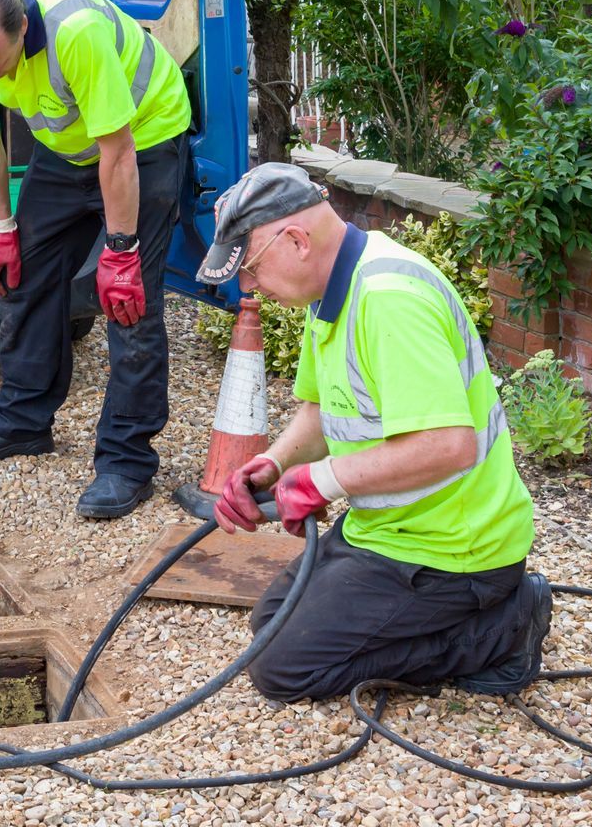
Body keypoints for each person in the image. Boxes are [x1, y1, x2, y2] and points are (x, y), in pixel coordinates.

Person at [195, 162, 551, 701]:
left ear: (296, 241)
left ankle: (504, 628)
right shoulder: (332, 289)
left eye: (251, 267)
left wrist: (321, 481)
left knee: (281, 669)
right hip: (389, 528)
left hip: (454, 549)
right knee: (270, 622)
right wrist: (275, 464)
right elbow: (323, 411)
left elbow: (449, 445)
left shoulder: (389, 299)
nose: (248, 286)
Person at [0, 0, 193, 519]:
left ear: (23, 30)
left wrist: (120, 250)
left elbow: (117, 150)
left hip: (141, 138)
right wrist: (1, 227)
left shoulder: (76, 32)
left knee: (129, 301)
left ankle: (126, 460)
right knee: (25, 273)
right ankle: (22, 420)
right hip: (66, 146)